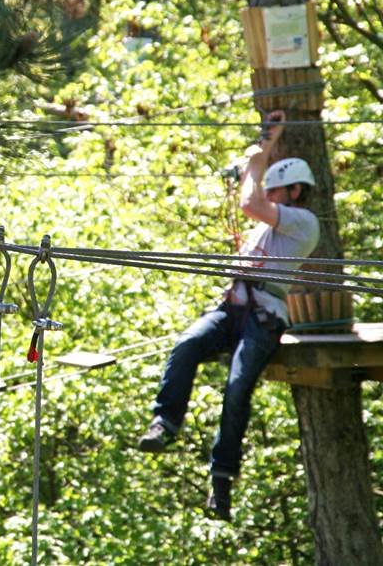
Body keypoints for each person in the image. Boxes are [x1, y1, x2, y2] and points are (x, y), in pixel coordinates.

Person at [136, 110, 320, 521]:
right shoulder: (270, 223)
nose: (269, 199)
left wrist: (257, 162)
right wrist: (267, 141)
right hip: (231, 309)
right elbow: (252, 187)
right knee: (185, 345)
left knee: (237, 389)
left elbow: (250, 199)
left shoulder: (302, 224)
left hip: (263, 319)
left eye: (276, 193)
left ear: (293, 192)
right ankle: (165, 422)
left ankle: (221, 481)